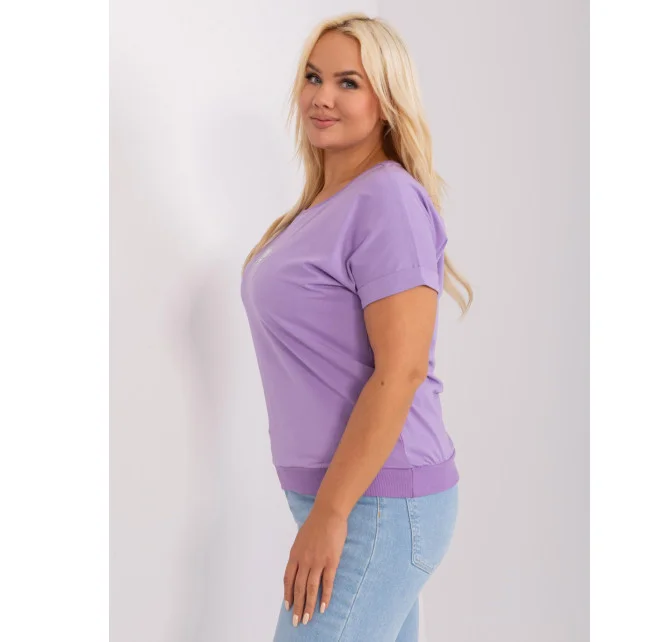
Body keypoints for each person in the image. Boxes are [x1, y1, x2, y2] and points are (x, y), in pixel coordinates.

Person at [240, 11, 473, 641]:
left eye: (349, 82)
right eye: (314, 77)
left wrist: (332, 513)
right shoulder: (325, 204)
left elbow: (402, 370)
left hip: (378, 502)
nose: (322, 96)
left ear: (386, 100)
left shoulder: (388, 200)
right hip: (354, 498)